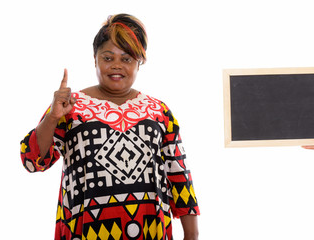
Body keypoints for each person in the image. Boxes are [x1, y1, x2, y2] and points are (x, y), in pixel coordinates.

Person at [20, 13, 199, 240]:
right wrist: (53, 117)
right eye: (108, 57)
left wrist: (192, 234)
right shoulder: (70, 106)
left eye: (126, 59)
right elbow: (32, 160)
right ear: (95, 59)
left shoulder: (159, 111)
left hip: (150, 230)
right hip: (86, 232)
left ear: (139, 62)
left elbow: (179, 174)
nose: (116, 66)